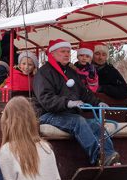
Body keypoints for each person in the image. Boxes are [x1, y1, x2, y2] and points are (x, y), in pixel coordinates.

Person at [33, 38, 120, 166]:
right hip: (48, 114)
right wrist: (68, 103)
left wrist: (98, 103)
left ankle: (109, 156)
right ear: (52, 53)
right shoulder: (43, 73)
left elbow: (84, 93)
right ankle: (98, 157)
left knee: (96, 124)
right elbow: (46, 99)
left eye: (68, 51)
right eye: (63, 51)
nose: (67, 54)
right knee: (78, 121)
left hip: (69, 114)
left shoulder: (71, 72)